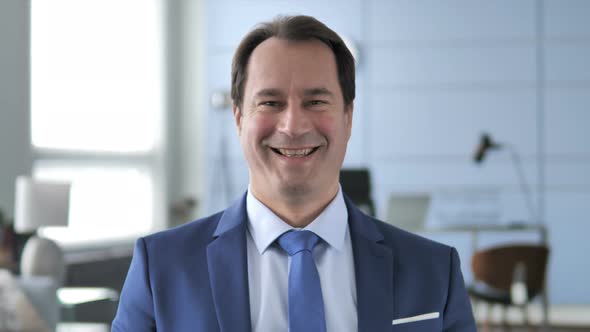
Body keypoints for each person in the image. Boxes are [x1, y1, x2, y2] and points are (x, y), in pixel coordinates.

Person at [112, 15, 476, 332]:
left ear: (348, 117)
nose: (293, 125)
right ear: (239, 118)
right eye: (270, 102)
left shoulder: (432, 271)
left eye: (315, 101)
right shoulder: (160, 268)